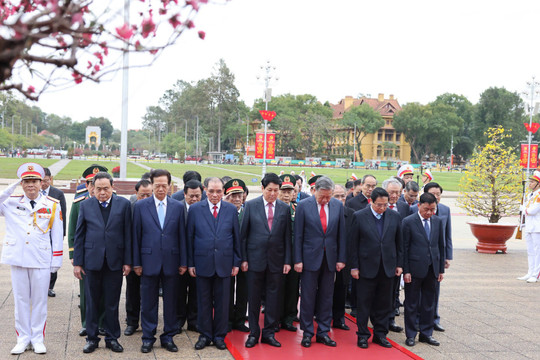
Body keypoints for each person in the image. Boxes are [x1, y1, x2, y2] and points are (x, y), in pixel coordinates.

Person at [0, 163, 63, 355]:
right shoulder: (11, 201)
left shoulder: (52, 204)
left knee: (39, 301)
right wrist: (12, 186)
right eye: (26, 181)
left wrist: (56, 261)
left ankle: (37, 338)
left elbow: (57, 234)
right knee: (20, 300)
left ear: (41, 182)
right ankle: (22, 338)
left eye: (34, 181)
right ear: (22, 183)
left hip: (40, 258)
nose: (30, 185)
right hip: (18, 258)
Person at [73, 172, 132, 354]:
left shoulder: (124, 205)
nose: (102, 192)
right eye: (98, 189)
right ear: (92, 189)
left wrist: (128, 261)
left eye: (106, 188)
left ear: (113, 187)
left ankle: (112, 338)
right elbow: (79, 235)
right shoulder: (85, 205)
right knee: (92, 301)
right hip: (92, 261)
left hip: (115, 261)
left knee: (112, 302)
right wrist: (77, 262)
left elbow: (128, 235)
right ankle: (92, 338)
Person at [132, 169, 187, 353]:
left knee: (171, 302)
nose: (161, 189)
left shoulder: (178, 207)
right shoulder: (141, 206)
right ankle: (148, 337)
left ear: (170, 185)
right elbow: (136, 237)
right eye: (158, 185)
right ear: (152, 185)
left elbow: (182, 237)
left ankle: (168, 337)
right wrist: (136, 263)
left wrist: (183, 262)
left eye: (165, 185)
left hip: (172, 261)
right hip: (148, 261)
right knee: (148, 302)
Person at [187, 177, 241, 351]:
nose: (215, 195)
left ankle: (219, 336)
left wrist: (236, 262)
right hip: (202, 263)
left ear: (223, 191)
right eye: (211, 191)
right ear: (205, 190)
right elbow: (190, 238)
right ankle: (204, 335)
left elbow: (236, 238)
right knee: (203, 302)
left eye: (219, 191)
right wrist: (190, 263)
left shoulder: (231, 210)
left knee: (223, 303)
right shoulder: (195, 209)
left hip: (225, 264)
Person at [294, 176, 346, 348]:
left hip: (330, 258)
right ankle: (307, 333)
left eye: (328, 196)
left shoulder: (337, 205)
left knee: (326, 296)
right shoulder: (303, 206)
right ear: (314, 191)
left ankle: (323, 331)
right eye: (322, 196)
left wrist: (341, 258)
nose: (325, 200)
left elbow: (341, 235)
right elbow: (298, 235)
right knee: (308, 297)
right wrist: (298, 260)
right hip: (309, 258)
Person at [241, 173, 292, 348]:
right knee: (254, 298)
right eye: (269, 190)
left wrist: (287, 261)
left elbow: (287, 238)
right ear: (262, 189)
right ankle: (254, 333)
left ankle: (269, 333)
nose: (272, 194)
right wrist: (244, 259)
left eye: (276, 190)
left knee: (274, 298)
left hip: (276, 261)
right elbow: (244, 236)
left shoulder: (285, 209)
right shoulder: (250, 206)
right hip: (255, 260)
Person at [350, 187, 403, 349]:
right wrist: (354, 267)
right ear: (371, 202)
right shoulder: (359, 217)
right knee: (364, 304)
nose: (382, 208)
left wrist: (400, 264)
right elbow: (353, 245)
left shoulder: (394, 216)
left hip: (387, 267)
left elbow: (399, 243)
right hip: (366, 268)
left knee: (384, 303)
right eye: (379, 205)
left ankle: (380, 334)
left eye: (385, 205)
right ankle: (363, 335)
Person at [68, 165, 108, 337]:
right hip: (86, 255)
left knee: (105, 292)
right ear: (87, 185)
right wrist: (73, 254)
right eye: (91, 183)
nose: (94, 187)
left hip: (107, 255)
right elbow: (72, 231)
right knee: (86, 292)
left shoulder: (113, 202)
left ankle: (102, 323)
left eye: (97, 183)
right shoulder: (79, 203)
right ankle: (86, 322)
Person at [402, 193, 445, 347]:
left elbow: (441, 246)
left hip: (432, 268)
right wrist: (406, 270)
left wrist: (440, 270)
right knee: (412, 303)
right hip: (414, 269)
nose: (429, 213)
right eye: (426, 209)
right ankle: (411, 334)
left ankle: (426, 333)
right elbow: (404, 248)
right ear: (419, 205)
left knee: (429, 302)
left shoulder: (438, 221)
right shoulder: (408, 222)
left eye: (432, 209)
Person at [411, 182, 453, 331]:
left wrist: (447, 256)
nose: (436, 197)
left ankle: (433, 319)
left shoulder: (445, 210)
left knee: (433, 292)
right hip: (418, 260)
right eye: (433, 194)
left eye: (438, 194)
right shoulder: (414, 210)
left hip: (435, 260)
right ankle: (416, 320)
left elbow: (447, 236)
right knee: (417, 294)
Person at [124, 179, 153, 337]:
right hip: (135, 257)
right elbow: (127, 236)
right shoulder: (131, 208)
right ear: (136, 194)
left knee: (150, 292)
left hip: (152, 258)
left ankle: (148, 323)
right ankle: (132, 322)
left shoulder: (157, 208)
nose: (146, 198)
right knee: (133, 291)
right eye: (143, 195)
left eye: (149, 194)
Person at [383, 177, 411, 332]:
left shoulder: (403, 207)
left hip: (396, 256)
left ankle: (391, 318)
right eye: (391, 192)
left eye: (398, 192)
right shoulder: (378, 206)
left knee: (394, 289)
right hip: (380, 256)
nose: (394, 195)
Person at [176, 179, 203, 333]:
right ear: (184, 194)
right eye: (191, 196)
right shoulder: (176, 208)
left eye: (197, 196)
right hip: (179, 258)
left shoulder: (204, 208)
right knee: (179, 292)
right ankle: (178, 320)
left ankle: (194, 321)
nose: (194, 199)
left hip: (198, 258)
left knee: (196, 292)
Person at [223, 178, 250, 333]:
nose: (237, 198)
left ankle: (240, 319)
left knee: (243, 290)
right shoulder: (224, 212)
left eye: (239, 195)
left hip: (245, 257)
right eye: (233, 195)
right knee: (227, 290)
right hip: (228, 257)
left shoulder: (248, 211)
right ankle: (227, 319)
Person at [278, 174, 300, 332]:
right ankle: (275, 318)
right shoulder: (273, 209)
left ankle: (289, 318)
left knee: (292, 288)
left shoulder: (298, 210)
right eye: (283, 190)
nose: (286, 194)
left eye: (289, 191)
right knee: (276, 288)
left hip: (293, 257)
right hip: (276, 256)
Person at [41, 167, 67, 298]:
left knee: (53, 259)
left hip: (53, 232)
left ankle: (50, 286)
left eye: (46, 180)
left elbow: (63, 215)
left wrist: (62, 234)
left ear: (50, 179)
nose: (43, 183)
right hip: (40, 233)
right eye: (41, 180)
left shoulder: (58, 193)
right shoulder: (34, 193)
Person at [331, 184, 352, 331]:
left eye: (342, 196)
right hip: (325, 257)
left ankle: (339, 318)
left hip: (344, 259)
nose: (340, 199)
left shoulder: (351, 214)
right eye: (336, 196)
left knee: (341, 289)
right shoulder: (325, 212)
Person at [519, 171, 540, 283]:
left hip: (537, 227)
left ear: (538, 184)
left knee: (538, 252)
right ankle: (530, 272)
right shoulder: (529, 195)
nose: (530, 184)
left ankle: (536, 274)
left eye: (532, 182)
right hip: (529, 226)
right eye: (530, 182)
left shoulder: (539, 195)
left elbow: (532, 211)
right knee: (530, 251)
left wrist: (523, 209)